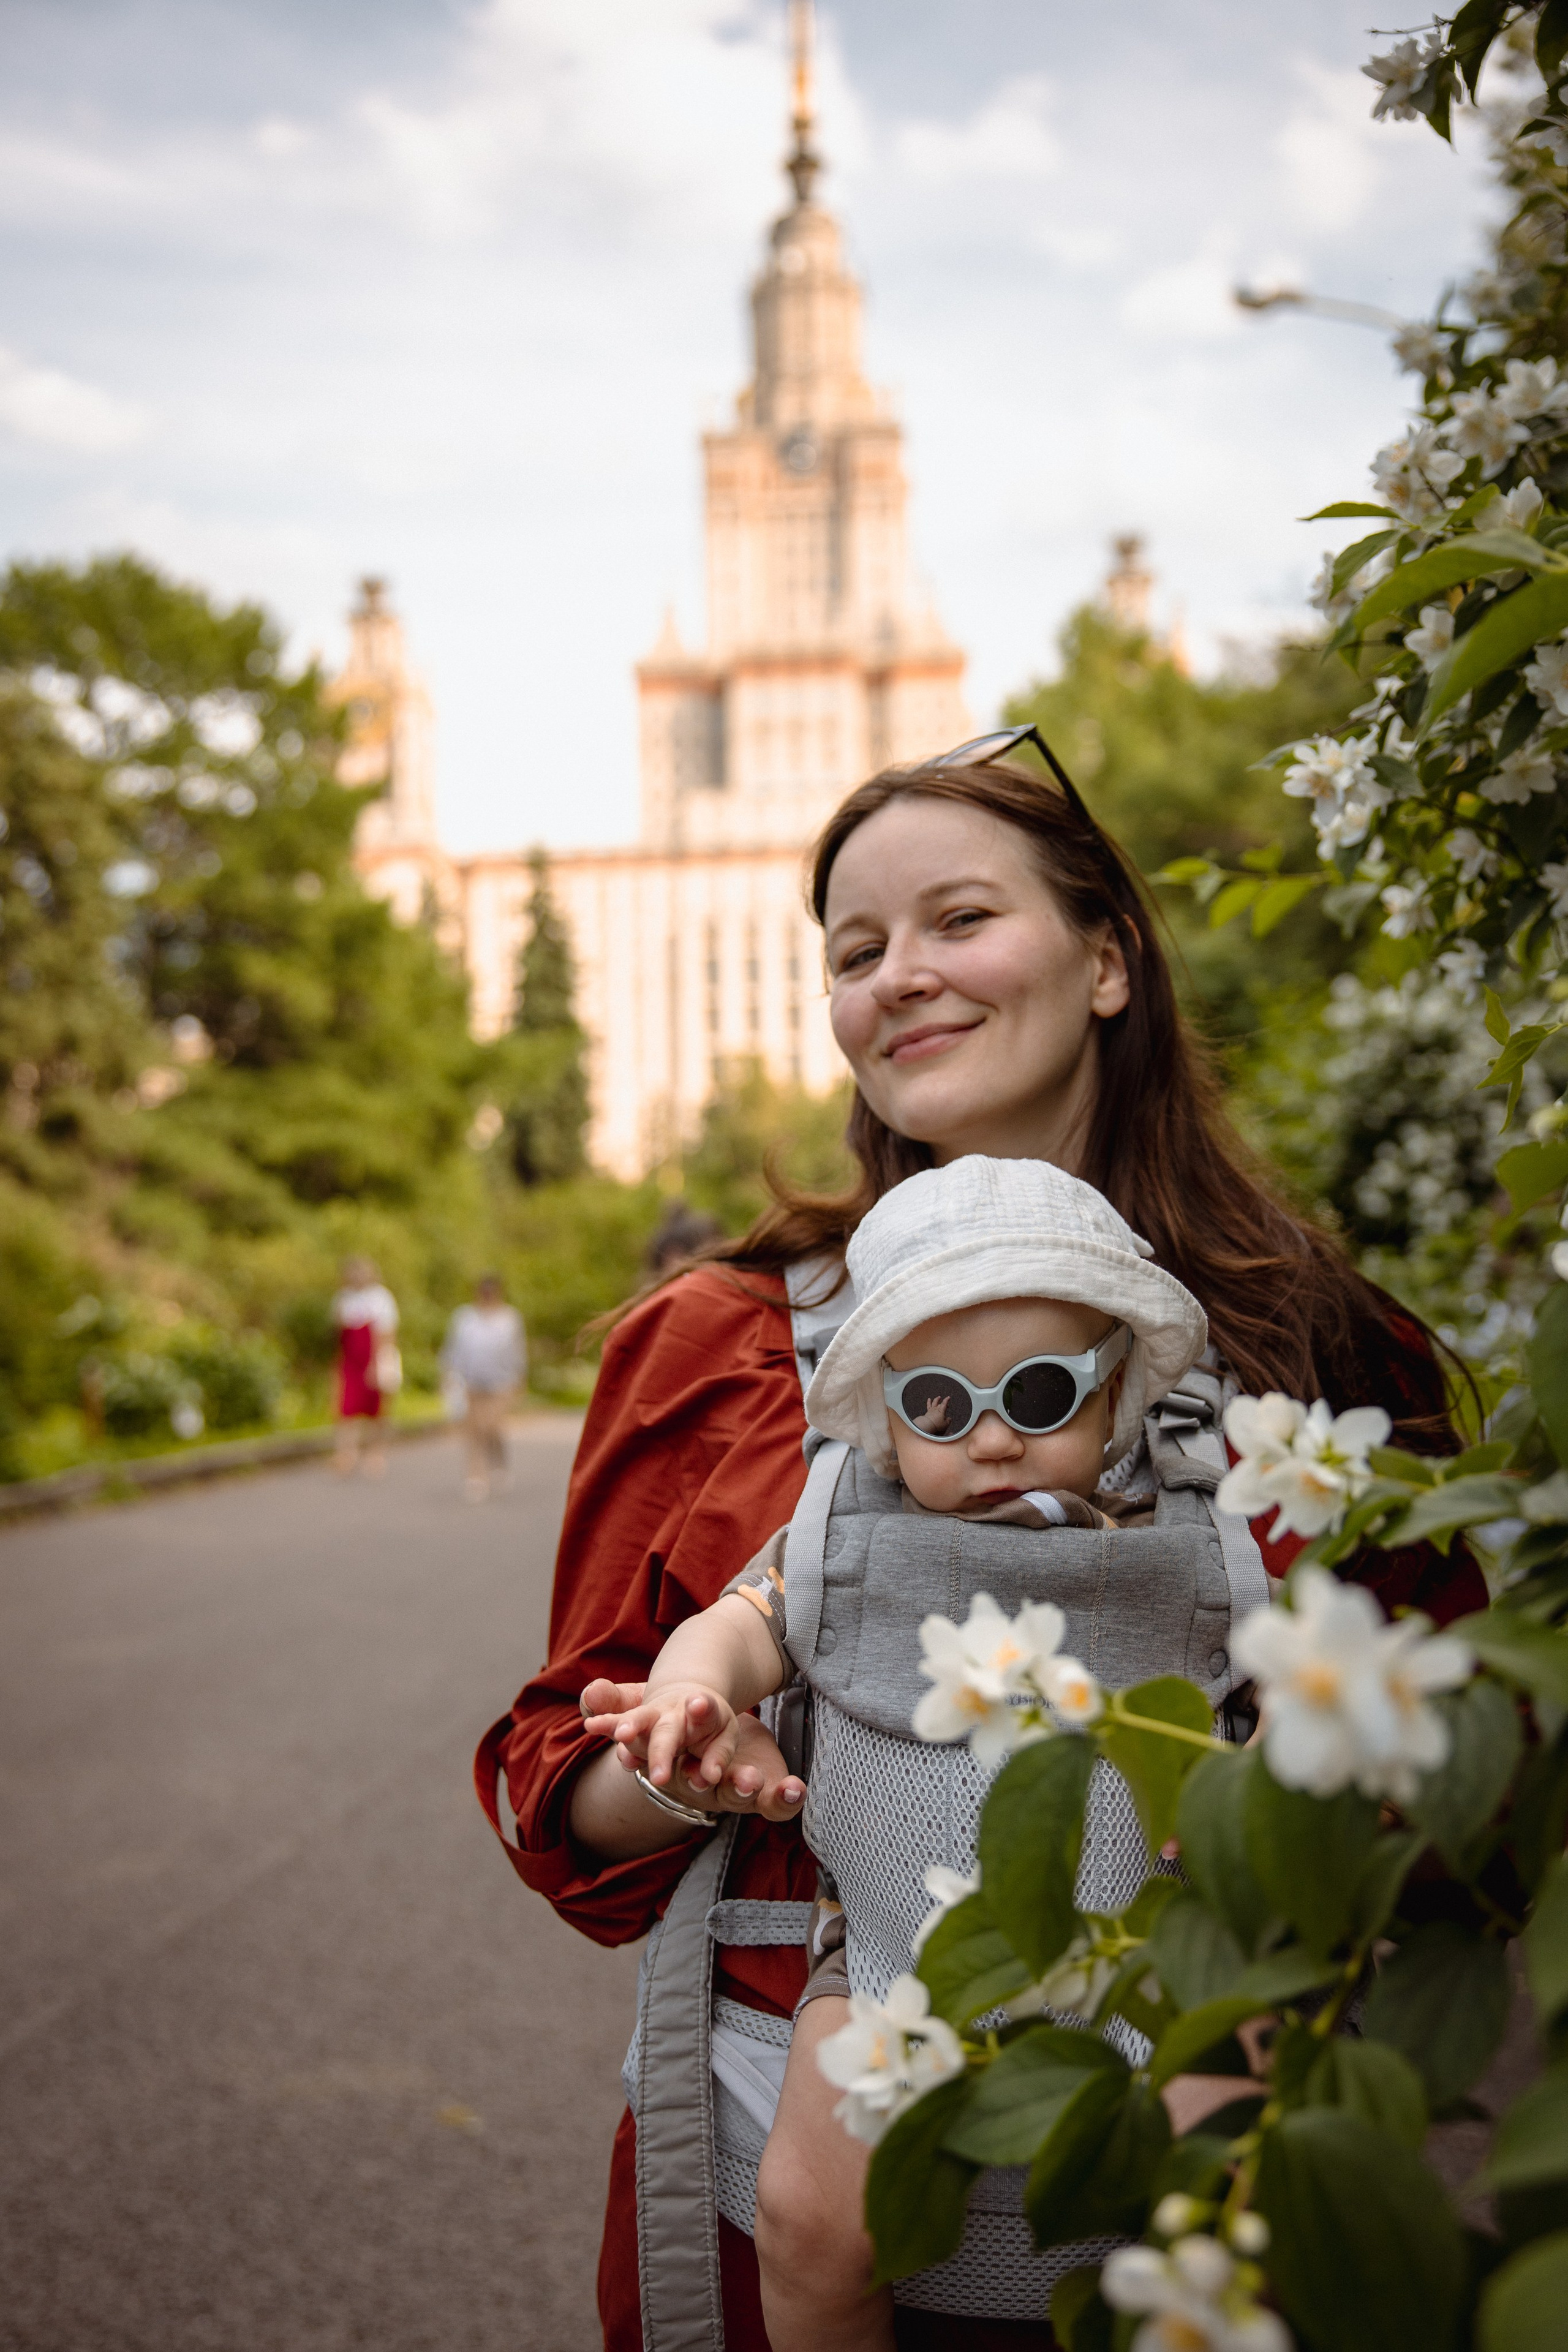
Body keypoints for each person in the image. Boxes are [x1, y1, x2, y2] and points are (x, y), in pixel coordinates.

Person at [478, 730, 1486, 2352]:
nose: (901, 978)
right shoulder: (721, 1344)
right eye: (856, 950)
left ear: (1107, 959)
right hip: (813, 2180)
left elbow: (1468, 1780)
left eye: (958, 920)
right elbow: (561, 1796)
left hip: (1196, 2190)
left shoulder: (1321, 1351)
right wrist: (686, 1746)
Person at [583, 1155, 1212, 2351]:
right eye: (936, 1404)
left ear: (1117, 1384)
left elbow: (1261, 1675)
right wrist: (690, 1693)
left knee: (1240, 2157)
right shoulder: (842, 1543)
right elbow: (734, 1624)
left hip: (1156, 1950)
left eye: (1037, 1396)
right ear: (883, 1410)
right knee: (808, 2209)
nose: (987, 1442)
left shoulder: (1180, 1536)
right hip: (884, 1964)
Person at [442, 1275, 527, 1502]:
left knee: (492, 1426)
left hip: (502, 1382)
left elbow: (518, 1352)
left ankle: (499, 1462)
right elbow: (453, 1349)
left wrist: (519, 1381)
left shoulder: (510, 1318)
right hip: (471, 1381)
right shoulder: (464, 1317)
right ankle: (476, 1476)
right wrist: (449, 1376)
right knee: (474, 1429)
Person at [332, 1255, 398, 1478]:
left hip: (374, 1359)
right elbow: (339, 1334)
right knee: (346, 1409)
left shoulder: (381, 1298)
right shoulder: (343, 1298)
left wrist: (380, 1363)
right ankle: (346, 1454)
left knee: (376, 1411)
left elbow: (388, 1334)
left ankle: (375, 1454)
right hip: (351, 1361)